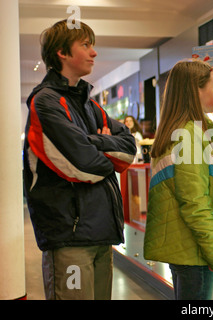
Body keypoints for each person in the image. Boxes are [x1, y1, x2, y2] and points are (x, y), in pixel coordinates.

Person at [23, 19, 137, 300]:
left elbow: (129, 149)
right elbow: (81, 164)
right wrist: (100, 147)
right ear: (62, 52)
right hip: (69, 235)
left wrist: (93, 140)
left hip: (101, 231)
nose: (94, 52)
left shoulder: (89, 103)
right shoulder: (46, 101)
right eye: (85, 45)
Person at [143, 59, 213, 300]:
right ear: (195, 90)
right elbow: (195, 203)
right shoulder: (188, 137)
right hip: (194, 250)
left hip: (186, 247)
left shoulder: (187, 131)